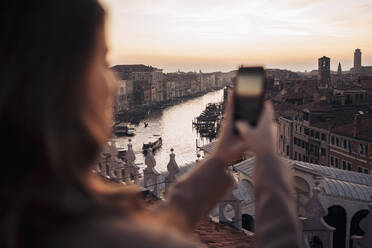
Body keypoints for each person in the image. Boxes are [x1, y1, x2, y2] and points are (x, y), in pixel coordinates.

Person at [0, 1, 301, 247]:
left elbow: (153, 228)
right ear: (58, 82)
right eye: (102, 62)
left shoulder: (26, 207)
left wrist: (220, 157)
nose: (113, 85)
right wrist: (268, 160)